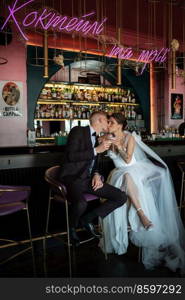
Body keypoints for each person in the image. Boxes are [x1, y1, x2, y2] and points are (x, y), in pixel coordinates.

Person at [100, 112, 185, 274]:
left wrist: (118, 146)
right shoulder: (107, 137)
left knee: (128, 177)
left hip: (133, 171)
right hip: (118, 174)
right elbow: (100, 155)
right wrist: (104, 142)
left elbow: (127, 159)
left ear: (119, 125)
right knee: (125, 176)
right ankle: (142, 215)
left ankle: (141, 215)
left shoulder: (129, 138)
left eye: (111, 122)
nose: (108, 124)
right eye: (108, 122)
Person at [59, 111, 127, 246]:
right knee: (81, 204)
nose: (108, 124)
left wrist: (96, 174)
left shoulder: (97, 138)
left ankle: (88, 219)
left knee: (121, 197)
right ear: (100, 120)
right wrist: (96, 150)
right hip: (73, 178)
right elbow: (71, 156)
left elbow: (94, 163)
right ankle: (71, 229)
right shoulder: (78, 130)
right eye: (107, 121)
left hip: (88, 179)